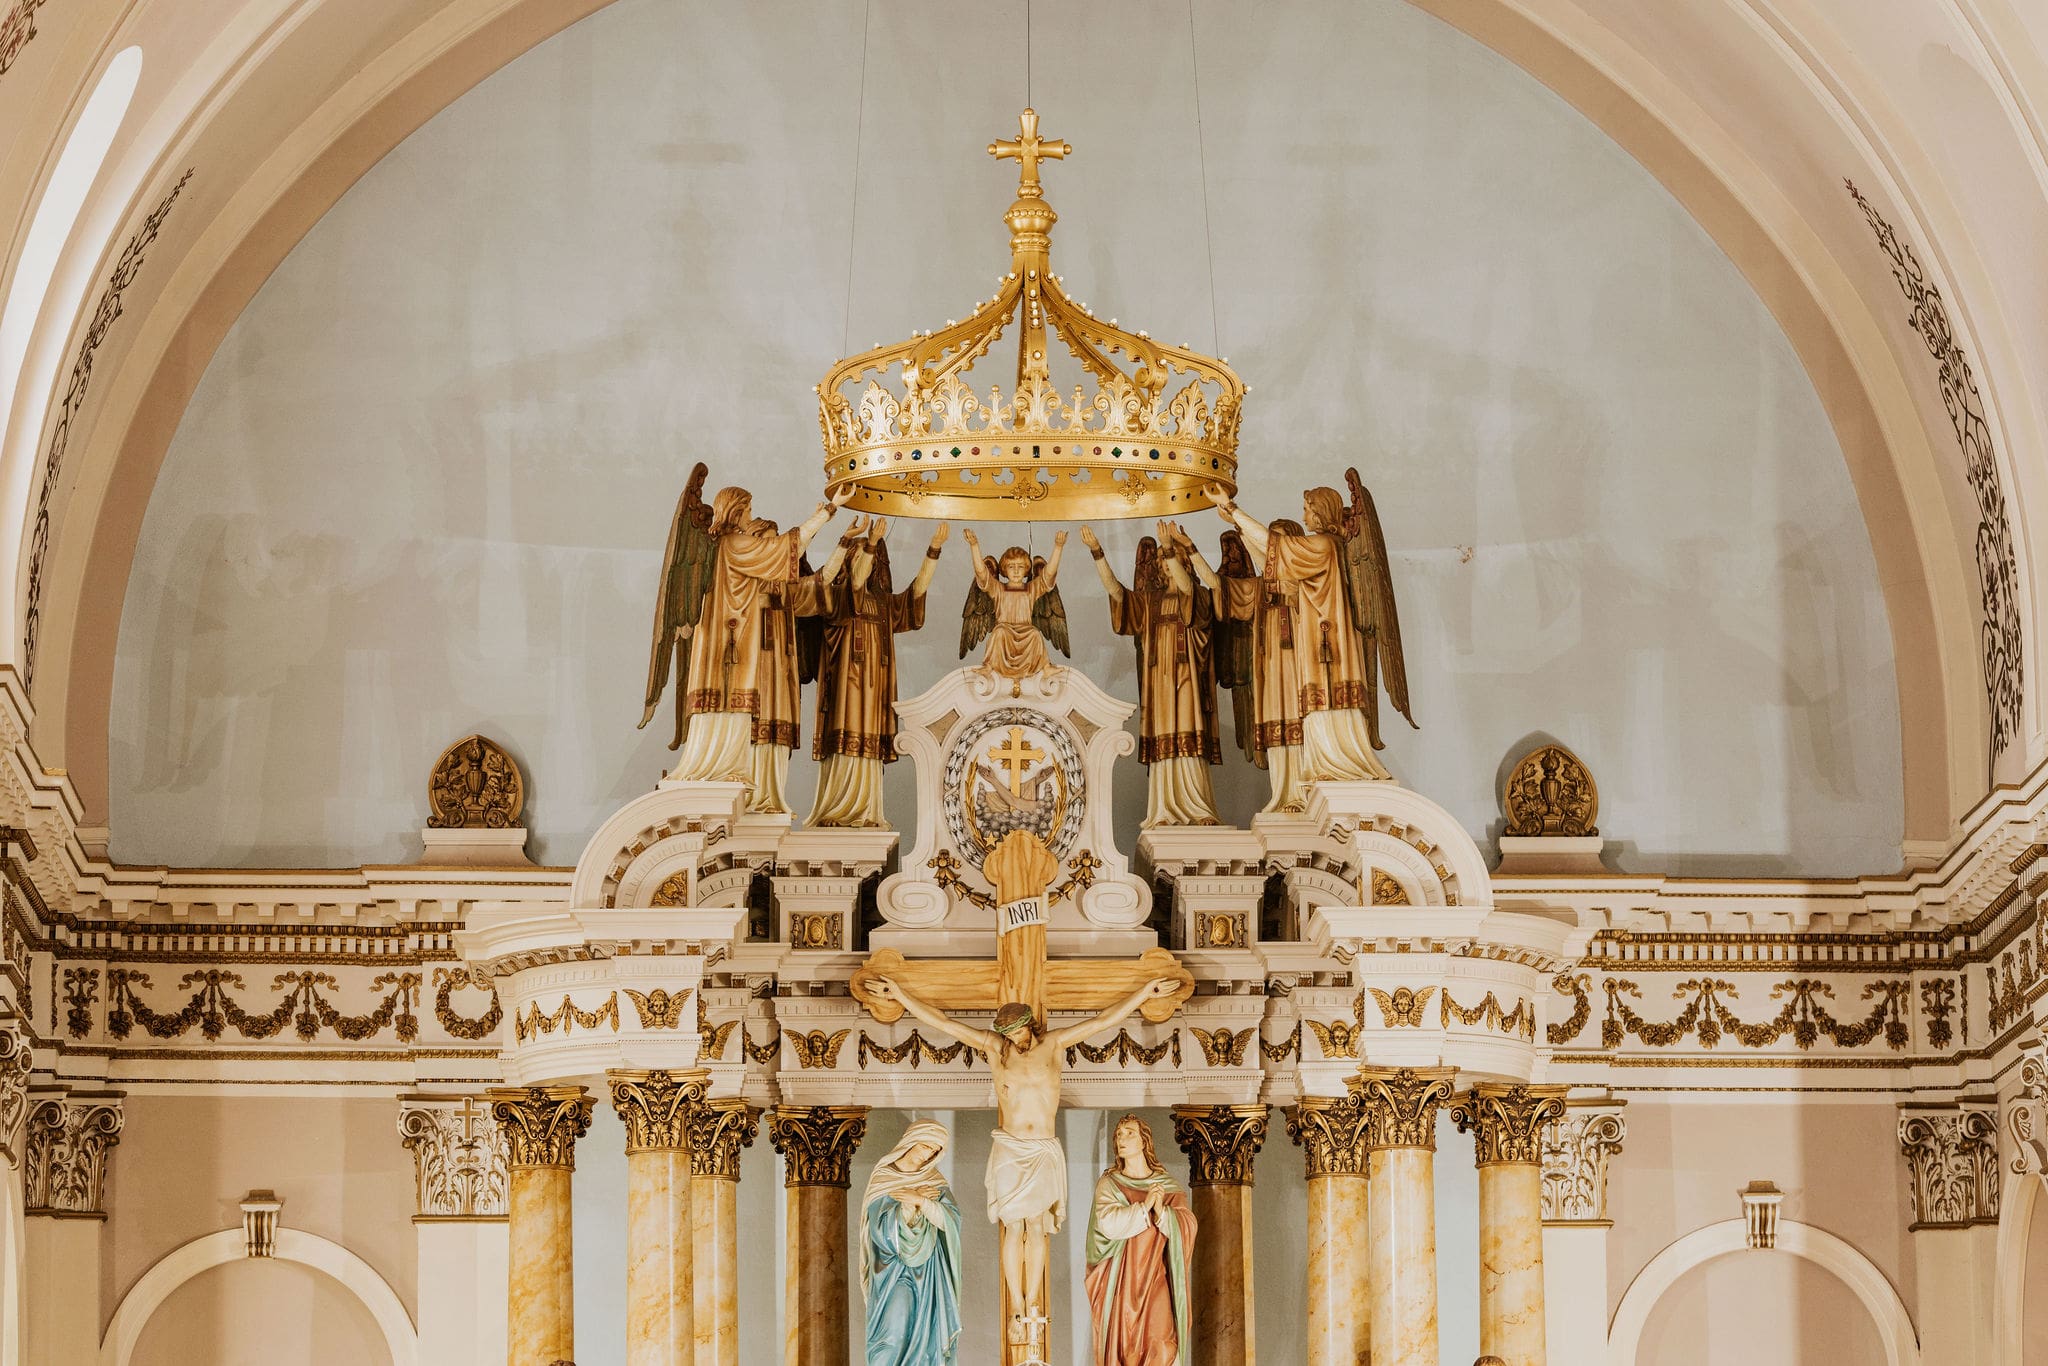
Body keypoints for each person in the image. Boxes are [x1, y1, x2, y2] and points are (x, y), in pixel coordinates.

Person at [865, 974, 1183, 1349]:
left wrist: (1144, 993)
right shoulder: (994, 1050)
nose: (1014, 1040)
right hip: (1011, 1148)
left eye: (1017, 1032)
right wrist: (901, 995)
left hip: (1044, 1147)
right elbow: (944, 1023)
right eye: (1008, 1033)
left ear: (1029, 1026)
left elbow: (1101, 1022)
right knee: (1014, 1227)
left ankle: (1033, 1302)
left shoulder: (1053, 1044)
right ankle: (1018, 1307)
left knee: (1038, 1226)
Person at [668, 485, 849, 810]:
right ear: (736, 511)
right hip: (733, 653)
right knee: (731, 706)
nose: (753, 519)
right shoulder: (732, 545)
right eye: (748, 511)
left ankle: (758, 789)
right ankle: (717, 767)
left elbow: (811, 591)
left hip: (765, 669)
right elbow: (786, 548)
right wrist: (828, 510)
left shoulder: (767, 578)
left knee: (749, 715)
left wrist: (844, 547)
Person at [1211, 486, 1392, 800]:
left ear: (1320, 511)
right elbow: (1275, 561)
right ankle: (1329, 764)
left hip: (1328, 645)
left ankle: (1341, 764)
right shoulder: (1326, 547)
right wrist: (1236, 522)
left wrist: (1235, 510)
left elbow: (1277, 548)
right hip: (1319, 643)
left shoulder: (1323, 545)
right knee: (1319, 706)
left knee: (1328, 704)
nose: (1303, 515)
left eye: (1307, 508)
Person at [1078, 521, 1221, 825]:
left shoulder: (1200, 596)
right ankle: (1165, 809)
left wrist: (1170, 547)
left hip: (1187, 680)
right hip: (1160, 682)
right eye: (1161, 561)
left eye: (1170, 560)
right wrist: (1097, 553)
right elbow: (1117, 593)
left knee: (1188, 732)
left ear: (1183, 562)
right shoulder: (1150, 602)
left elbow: (1186, 588)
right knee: (1163, 735)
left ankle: (1198, 807)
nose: (1165, 565)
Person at [808, 516, 948, 826]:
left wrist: (933, 551)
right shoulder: (842, 595)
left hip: (875, 687)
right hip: (848, 684)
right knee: (847, 737)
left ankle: (866, 810)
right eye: (861, 556)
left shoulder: (882, 603)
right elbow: (856, 581)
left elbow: (914, 597)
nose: (868, 562)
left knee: (869, 742)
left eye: (872, 558)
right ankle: (838, 808)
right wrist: (870, 542)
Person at [1085, 1115, 1195, 1366]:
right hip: (1123, 1283)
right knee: (1126, 1351)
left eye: (1129, 1133)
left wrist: (1162, 1211)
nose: (1122, 1139)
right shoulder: (1109, 1184)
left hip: (1156, 1279)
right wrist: (1144, 1208)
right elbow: (1107, 1224)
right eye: (1118, 1135)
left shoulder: (1166, 1187)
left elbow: (1188, 1226)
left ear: (1144, 1141)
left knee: (1162, 1345)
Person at [861, 1120, 964, 1366]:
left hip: (929, 1271)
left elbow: (952, 1221)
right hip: (891, 1271)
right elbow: (877, 1230)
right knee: (892, 1335)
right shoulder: (883, 1177)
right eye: (926, 1145)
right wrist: (906, 1208)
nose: (928, 1153)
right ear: (910, 1141)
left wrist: (922, 1202)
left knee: (928, 1336)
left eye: (935, 1150)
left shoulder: (934, 1181)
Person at [959, 530, 1069, 681]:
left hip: (1026, 631)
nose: (1016, 571)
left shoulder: (1031, 589)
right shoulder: (998, 589)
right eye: (1011, 566)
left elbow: (1048, 575)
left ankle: (1045, 666)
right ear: (1004, 569)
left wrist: (1058, 547)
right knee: (999, 633)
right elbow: (981, 573)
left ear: (1026, 570)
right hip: (1005, 630)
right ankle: (989, 665)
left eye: (1020, 566)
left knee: (1035, 634)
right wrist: (974, 546)